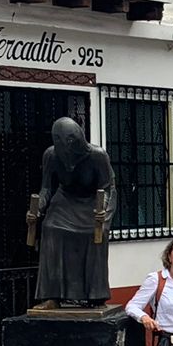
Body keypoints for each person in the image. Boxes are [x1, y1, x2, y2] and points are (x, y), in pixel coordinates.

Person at [32, 117, 116, 307]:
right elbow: (46, 188)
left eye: (70, 140)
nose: (66, 146)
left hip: (91, 202)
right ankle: (52, 296)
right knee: (50, 228)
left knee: (97, 235)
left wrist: (104, 213)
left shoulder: (97, 156)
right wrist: (38, 208)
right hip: (65, 201)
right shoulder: (51, 156)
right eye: (61, 141)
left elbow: (109, 188)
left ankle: (95, 295)